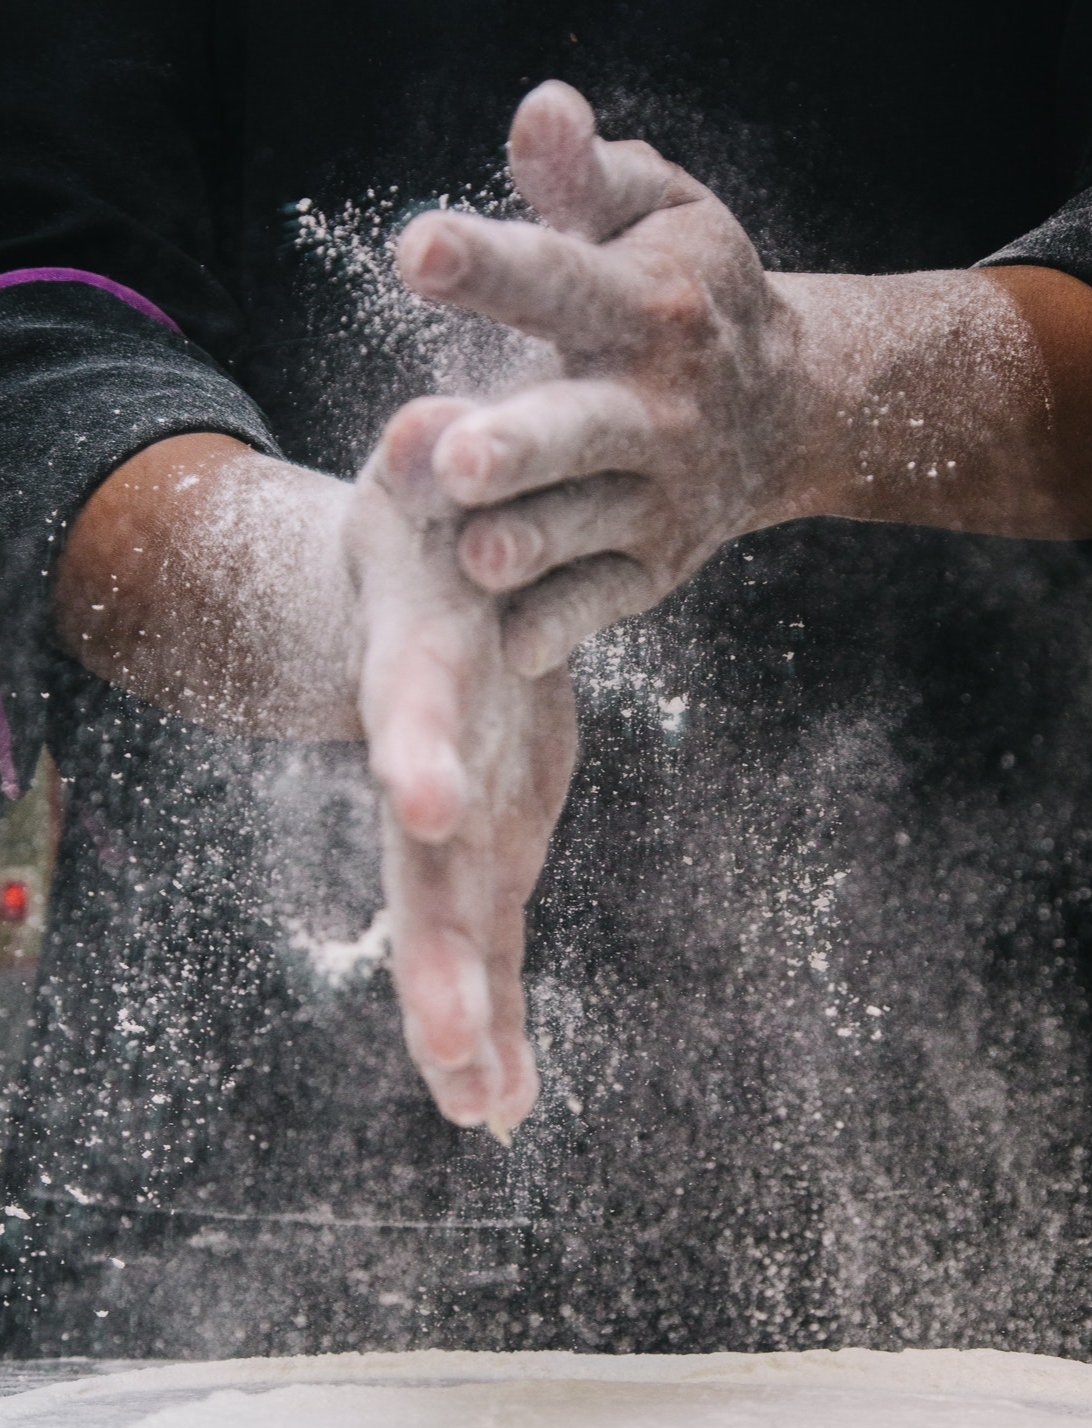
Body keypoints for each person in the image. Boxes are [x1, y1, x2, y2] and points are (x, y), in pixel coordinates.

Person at [3, 0, 1092, 1359]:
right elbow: (38, 302)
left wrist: (809, 387)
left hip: (987, 1142)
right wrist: (338, 593)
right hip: (249, 1199)